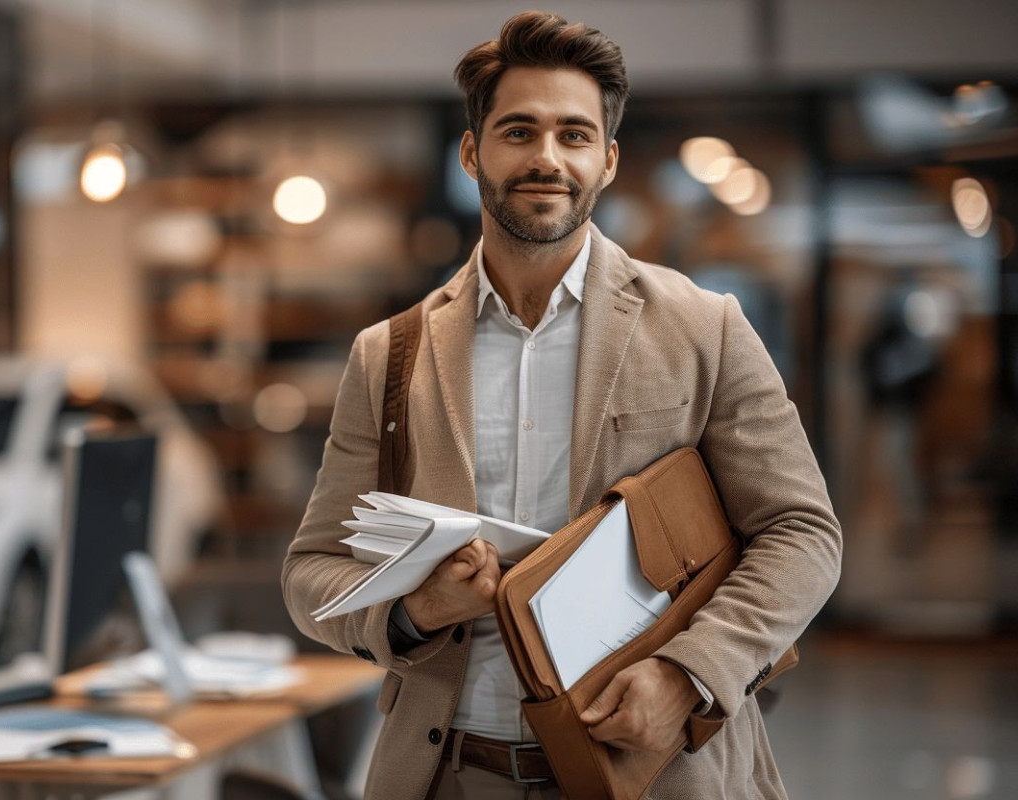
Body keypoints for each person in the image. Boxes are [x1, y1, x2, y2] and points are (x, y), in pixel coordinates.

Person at [281, 11, 842, 800]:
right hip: (452, 775)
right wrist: (414, 611)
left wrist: (688, 672)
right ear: (472, 153)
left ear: (607, 160)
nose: (546, 157)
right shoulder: (390, 354)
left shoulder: (703, 326)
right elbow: (311, 573)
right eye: (518, 131)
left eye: (574, 135)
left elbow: (803, 534)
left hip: (657, 774)